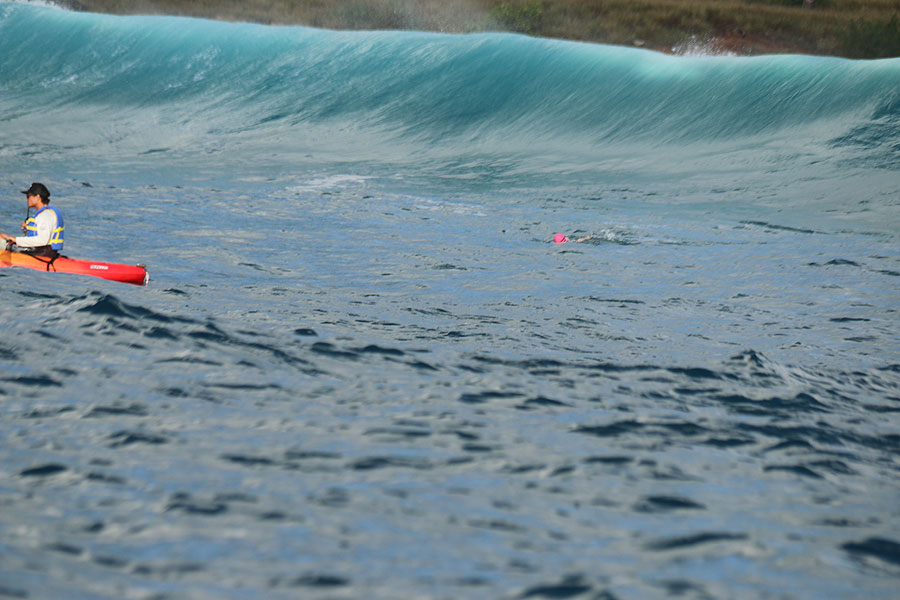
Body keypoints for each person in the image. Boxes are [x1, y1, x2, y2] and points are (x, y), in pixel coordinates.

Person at [1, 183, 64, 257]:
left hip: (42, 253)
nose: (27, 199)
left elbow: (42, 240)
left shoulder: (45, 215)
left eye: (28, 196)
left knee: (1, 239)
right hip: (44, 251)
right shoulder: (46, 213)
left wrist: (15, 239)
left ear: (37, 197)